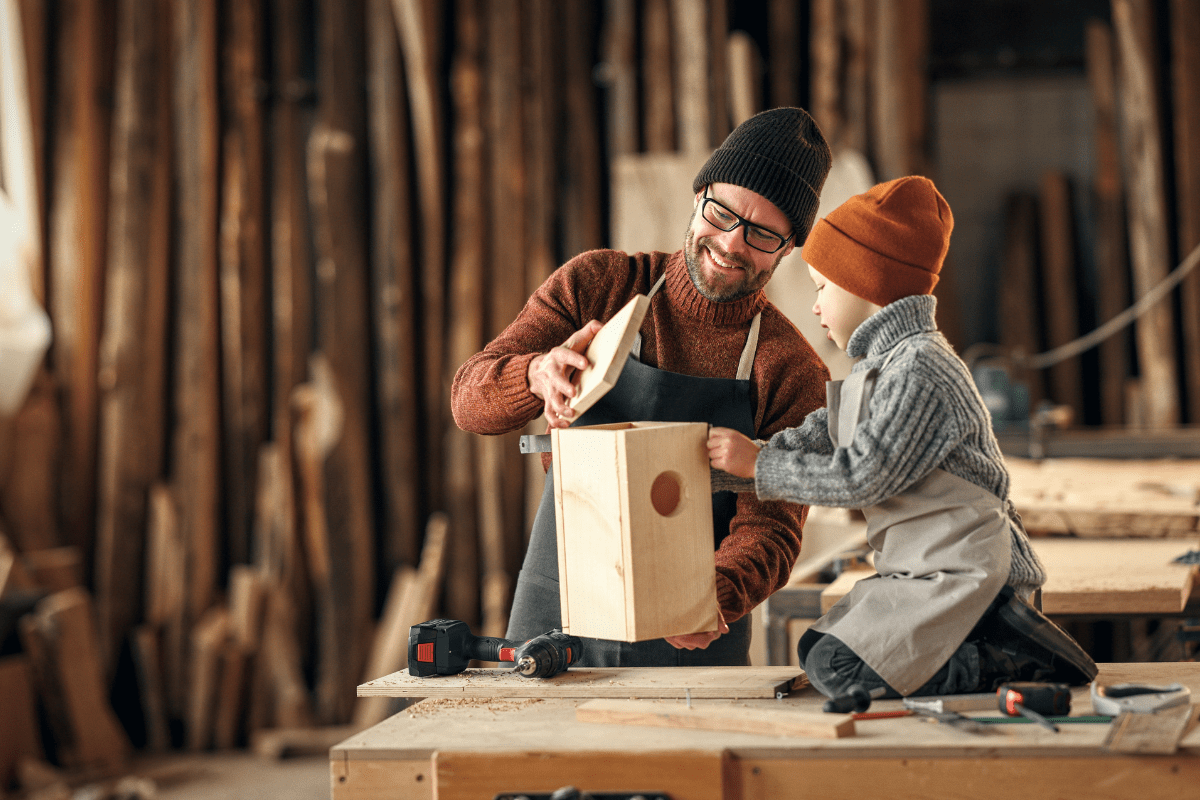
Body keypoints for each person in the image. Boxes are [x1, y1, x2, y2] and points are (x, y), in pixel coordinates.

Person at [452, 108, 834, 666]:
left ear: (788, 247)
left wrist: (715, 596)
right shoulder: (597, 286)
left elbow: (772, 528)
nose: (731, 243)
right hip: (557, 618)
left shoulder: (792, 369)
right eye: (722, 213)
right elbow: (469, 401)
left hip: (693, 635)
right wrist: (535, 375)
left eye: (762, 234)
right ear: (698, 194)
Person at [707, 176, 1098, 697]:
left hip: (974, 580)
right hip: (922, 573)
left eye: (823, 288)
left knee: (841, 673)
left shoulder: (921, 368)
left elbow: (863, 477)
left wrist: (756, 466)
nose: (817, 307)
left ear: (865, 283)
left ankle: (1011, 650)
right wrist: (715, 470)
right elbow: (813, 437)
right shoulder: (879, 370)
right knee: (820, 653)